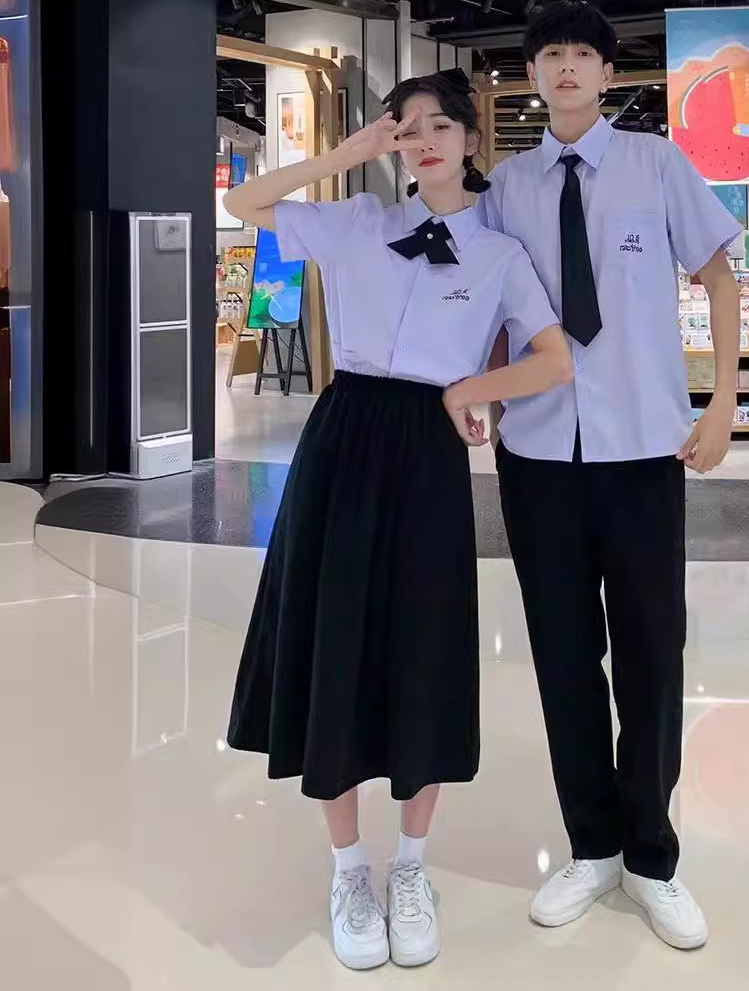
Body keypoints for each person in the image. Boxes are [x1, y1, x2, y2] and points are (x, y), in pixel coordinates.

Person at [225, 68, 570, 972]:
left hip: (427, 448)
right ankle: (349, 868)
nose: (425, 141)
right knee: (335, 635)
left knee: (424, 639)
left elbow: (553, 359)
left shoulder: (499, 255)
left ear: (469, 139)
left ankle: (411, 866)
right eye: (407, 128)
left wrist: (472, 389)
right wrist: (342, 155)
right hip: (343, 436)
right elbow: (242, 201)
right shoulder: (355, 223)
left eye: (440, 126)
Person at [481, 2, 742, 950]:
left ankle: (652, 857)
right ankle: (591, 846)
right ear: (532, 75)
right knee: (562, 657)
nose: (565, 67)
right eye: (550, 54)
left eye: (582, 54)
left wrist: (723, 401)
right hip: (539, 455)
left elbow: (719, 275)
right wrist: (476, 395)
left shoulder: (655, 165)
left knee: (650, 654)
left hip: (641, 452)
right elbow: (481, 300)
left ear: (606, 74)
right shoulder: (506, 186)